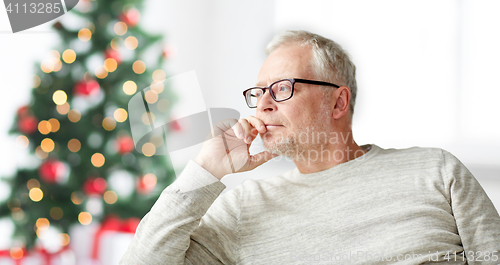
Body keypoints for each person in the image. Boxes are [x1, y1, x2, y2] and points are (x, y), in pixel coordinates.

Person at [120, 30, 500, 264]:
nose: (263, 105)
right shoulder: (243, 207)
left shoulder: (436, 171)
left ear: (337, 102)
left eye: (282, 88)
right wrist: (205, 169)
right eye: (259, 93)